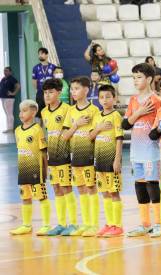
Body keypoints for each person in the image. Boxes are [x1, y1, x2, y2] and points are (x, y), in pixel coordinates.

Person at [122, 63, 161, 238]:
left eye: (139, 77)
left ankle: (159, 224)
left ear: (149, 79)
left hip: (151, 151)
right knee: (139, 186)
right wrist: (138, 112)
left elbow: (160, 127)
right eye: (133, 77)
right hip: (135, 151)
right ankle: (145, 224)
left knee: (152, 185)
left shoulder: (157, 101)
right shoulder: (133, 101)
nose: (135, 81)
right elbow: (125, 125)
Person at [62, 76, 100, 237]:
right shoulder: (70, 111)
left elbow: (96, 134)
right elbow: (64, 135)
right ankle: (85, 223)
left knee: (91, 188)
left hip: (89, 156)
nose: (73, 92)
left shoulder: (94, 111)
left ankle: (94, 224)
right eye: (71, 89)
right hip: (75, 155)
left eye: (76, 88)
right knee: (81, 189)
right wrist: (76, 124)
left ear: (86, 90)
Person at [41, 79, 78, 236]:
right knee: (56, 188)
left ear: (58, 93)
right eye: (45, 92)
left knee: (66, 188)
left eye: (51, 92)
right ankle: (61, 223)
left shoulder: (67, 109)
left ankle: (74, 224)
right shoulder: (43, 112)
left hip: (64, 154)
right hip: (52, 155)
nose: (47, 95)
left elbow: (68, 133)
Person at [9, 100, 51, 236]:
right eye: (20, 111)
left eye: (24, 111)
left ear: (33, 112)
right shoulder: (17, 131)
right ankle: (26, 225)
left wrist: (45, 170)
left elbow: (44, 152)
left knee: (41, 197)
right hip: (23, 170)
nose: (21, 114)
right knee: (25, 197)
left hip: (35, 170)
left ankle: (46, 225)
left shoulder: (37, 130)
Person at [89, 84, 124, 237]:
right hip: (99, 161)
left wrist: (117, 159)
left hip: (111, 160)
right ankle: (109, 224)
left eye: (108, 97)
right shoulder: (97, 116)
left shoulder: (116, 116)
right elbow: (90, 136)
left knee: (114, 192)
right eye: (102, 97)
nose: (105, 100)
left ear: (114, 98)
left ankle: (118, 225)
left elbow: (119, 139)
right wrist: (99, 128)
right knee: (104, 193)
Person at [32, 48, 57, 118]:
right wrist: (37, 90)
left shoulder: (53, 67)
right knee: (39, 112)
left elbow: (56, 80)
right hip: (40, 92)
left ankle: (50, 127)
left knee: (50, 110)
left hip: (51, 92)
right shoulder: (35, 68)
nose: (40, 55)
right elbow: (34, 81)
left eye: (42, 53)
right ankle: (39, 128)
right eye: (39, 54)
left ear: (47, 55)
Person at [0, 67, 20, 133]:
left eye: (7, 71)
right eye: (4, 71)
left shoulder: (12, 79)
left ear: (10, 72)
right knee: (7, 114)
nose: (5, 72)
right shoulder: (3, 79)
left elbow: (18, 86)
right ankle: (8, 128)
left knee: (9, 114)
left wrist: (13, 93)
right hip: (3, 98)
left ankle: (10, 129)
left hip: (9, 99)